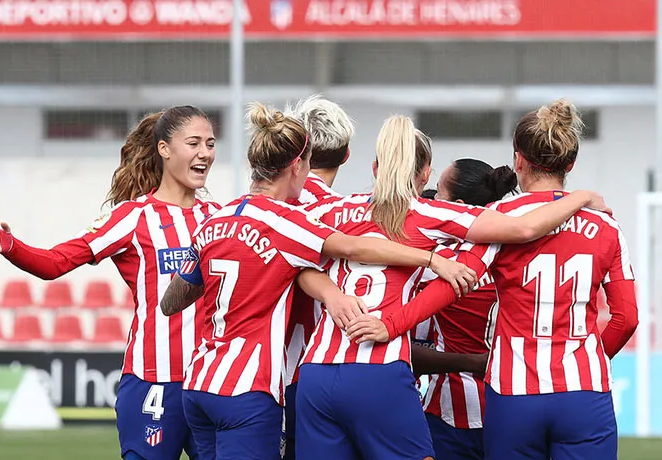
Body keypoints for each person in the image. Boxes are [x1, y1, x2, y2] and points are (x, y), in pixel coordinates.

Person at [159, 103, 479, 460]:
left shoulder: (213, 221)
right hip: (249, 387)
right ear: (297, 166)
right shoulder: (290, 221)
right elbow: (357, 247)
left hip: (199, 384)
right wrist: (431, 258)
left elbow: (171, 302)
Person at [296, 115, 610, 460]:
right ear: (426, 173)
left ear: (374, 167)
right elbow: (523, 229)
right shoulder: (433, 214)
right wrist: (579, 196)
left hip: (316, 371)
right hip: (380, 370)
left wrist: (331, 293)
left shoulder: (331, 209)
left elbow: (297, 266)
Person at [0, 106, 219, 460]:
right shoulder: (131, 218)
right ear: (165, 149)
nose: (205, 153)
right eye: (194, 143)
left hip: (211, 382)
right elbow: (57, 262)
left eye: (211, 144)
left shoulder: (219, 217)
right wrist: (11, 247)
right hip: (153, 379)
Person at [418, 159, 518, 460]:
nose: (432, 197)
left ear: (458, 207)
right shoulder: (516, 258)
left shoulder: (441, 263)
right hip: (513, 406)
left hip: (451, 411)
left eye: (440, 195)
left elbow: (405, 350)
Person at [283, 94, 356, 460]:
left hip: (265, 372)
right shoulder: (349, 214)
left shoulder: (268, 206)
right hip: (327, 368)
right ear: (346, 155)